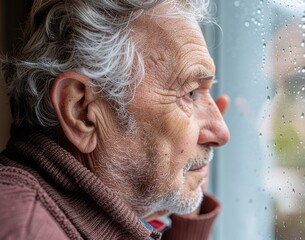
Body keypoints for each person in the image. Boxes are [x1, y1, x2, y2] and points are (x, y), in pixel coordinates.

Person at [0, 0, 230, 239]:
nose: (221, 132)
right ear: (82, 111)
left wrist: (181, 198)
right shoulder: (25, 229)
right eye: (190, 93)